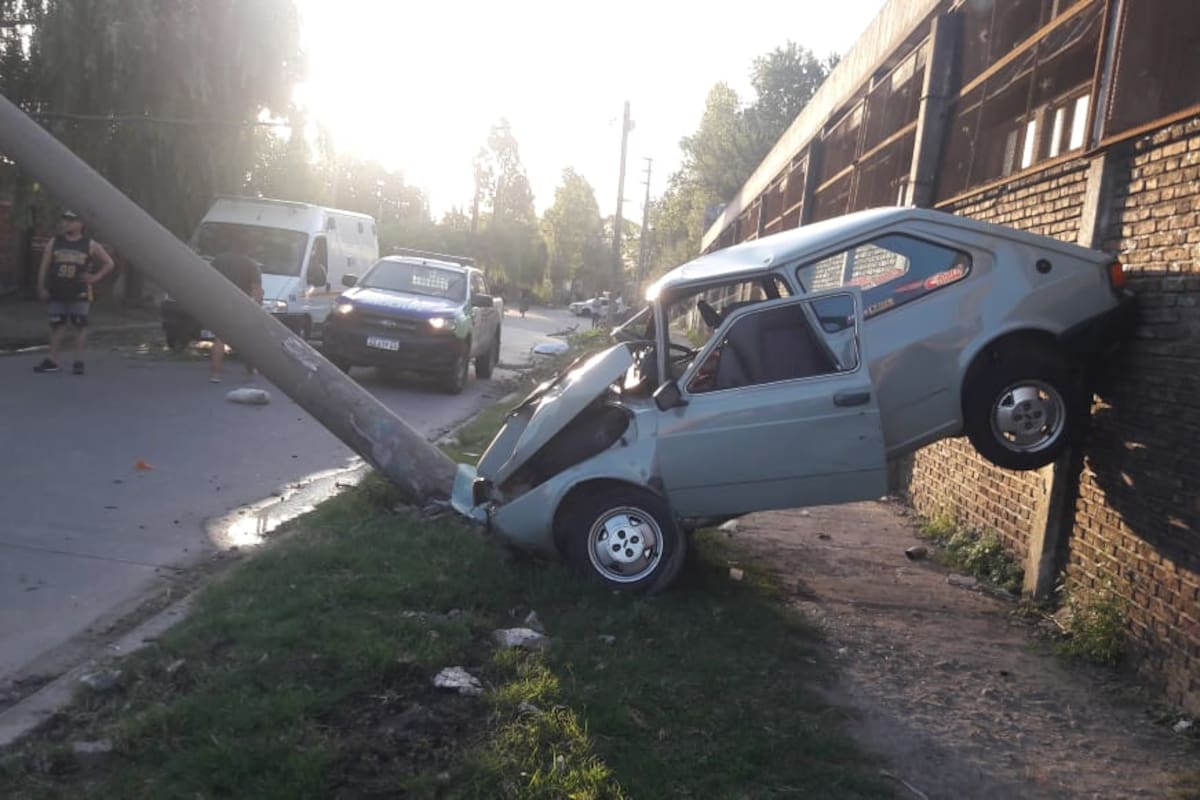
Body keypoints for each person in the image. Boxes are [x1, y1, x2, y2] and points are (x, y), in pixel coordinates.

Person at [33, 210, 115, 375]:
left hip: (80, 292)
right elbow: (44, 266)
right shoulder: (55, 242)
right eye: (64, 220)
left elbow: (109, 263)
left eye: (70, 220)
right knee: (57, 325)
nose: (66, 223)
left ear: (80, 224)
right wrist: (41, 287)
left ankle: (78, 361)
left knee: (79, 325)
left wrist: (94, 278)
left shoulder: (89, 244)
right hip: (57, 290)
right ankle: (52, 360)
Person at [208, 247, 263, 383]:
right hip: (242, 305)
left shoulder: (218, 260)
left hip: (220, 304)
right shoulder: (251, 264)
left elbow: (207, 279)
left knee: (220, 338)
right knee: (249, 338)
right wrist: (258, 306)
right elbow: (255, 288)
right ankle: (251, 369)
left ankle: (215, 374)